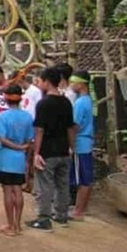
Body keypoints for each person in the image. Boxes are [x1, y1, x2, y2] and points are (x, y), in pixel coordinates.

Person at [25, 67, 75, 232]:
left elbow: (39, 130)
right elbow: (70, 128)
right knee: (62, 184)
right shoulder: (66, 102)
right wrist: (71, 147)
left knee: (45, 185)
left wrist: (36, 152)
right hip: (63, 149)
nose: (39, 83)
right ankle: (62, 215)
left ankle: (44, 218)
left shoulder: (43, 104)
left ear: (47, 81)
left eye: (40, 80)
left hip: (47, 150)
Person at [0, 84, 34, 237]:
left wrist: (16, 147)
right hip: (20, 158)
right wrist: (24, 153)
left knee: (7, 190)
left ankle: (10, 224)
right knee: (18, 189)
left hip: (6, 157)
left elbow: (2, 139)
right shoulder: (27, 117)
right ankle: (17, 223)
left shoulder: (3, 116)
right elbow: (30, 140)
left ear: (6, 98)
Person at [69, 71, 95, 220]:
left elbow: (75, 126)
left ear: (80, 84)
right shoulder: (87, 100)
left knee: (82, 180)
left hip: (80, 144)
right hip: (86, 143)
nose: (71, 85)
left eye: (73, 82)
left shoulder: (80, 103)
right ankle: (82, 208)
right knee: (86, 177)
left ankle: (79, 211)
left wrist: (71, 146)